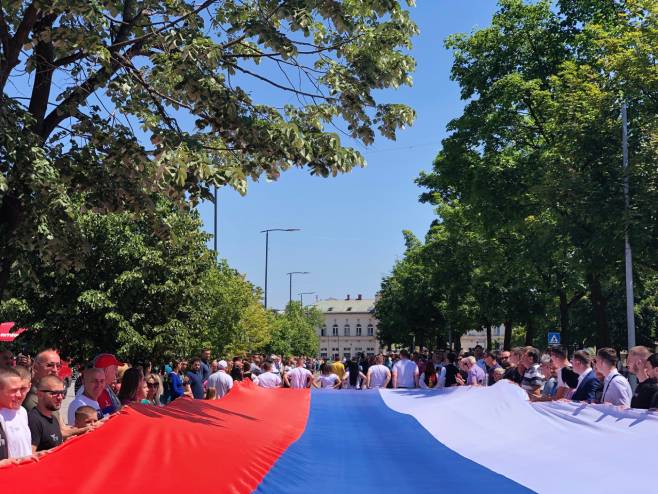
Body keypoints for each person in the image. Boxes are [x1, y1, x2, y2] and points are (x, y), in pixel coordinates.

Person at [0, 367, 32, 459]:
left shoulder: (22, 411)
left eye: (21, 389)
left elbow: (25, 450)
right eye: (13, 390)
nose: (19, 395)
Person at [28, 375, 64, 453]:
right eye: (55, 393)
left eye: (62, 393)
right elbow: (29, 455)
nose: (60, 397)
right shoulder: (33, 420)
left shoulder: (53, 419)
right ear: (40, 394)